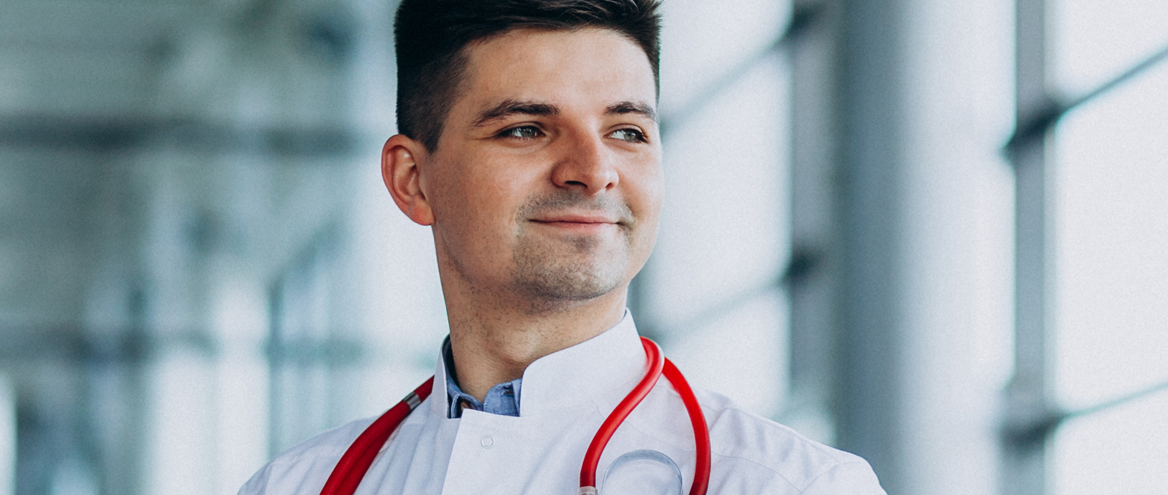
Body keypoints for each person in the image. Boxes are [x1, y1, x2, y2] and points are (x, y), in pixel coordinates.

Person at [237, 0, 885, 493]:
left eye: (627, 132)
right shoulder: (296, 485)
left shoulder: (796, 484)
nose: (594, 170)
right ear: (413, 180)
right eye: (526, 129)